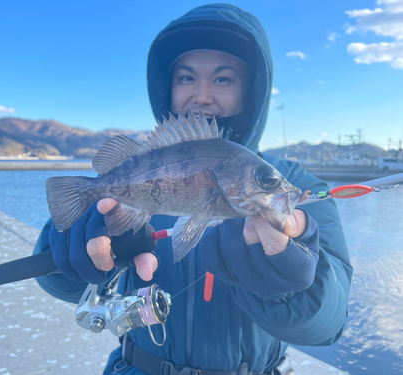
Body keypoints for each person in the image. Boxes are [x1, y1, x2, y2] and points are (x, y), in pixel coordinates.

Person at [33, 4, 352, 374]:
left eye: (222, 79)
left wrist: (294, 285)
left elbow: (330, 324)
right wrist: (65, 257)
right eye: (186, 78)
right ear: (166, 88)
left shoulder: (299, 184)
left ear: (253, 92)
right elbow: (65, 286)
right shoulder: (128, 179)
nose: (201, 95)